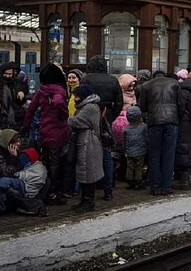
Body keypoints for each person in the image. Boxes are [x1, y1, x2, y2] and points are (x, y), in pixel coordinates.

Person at [23, 63, 69, 205]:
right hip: (57, 131)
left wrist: (25, 126)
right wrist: (64, 114)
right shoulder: (59, 91)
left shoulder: (41, 90)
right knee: (55, 163)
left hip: (44, 131)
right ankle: (53, 192)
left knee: (44, 161)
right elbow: (59, 102)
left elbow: (31, 109)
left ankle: (44, 188)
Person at [82, 56, 123, 201]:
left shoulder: (87, 79)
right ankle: (108, 190)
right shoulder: (113, 80)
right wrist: (110, 117)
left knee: (89, 155)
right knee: (106, 155)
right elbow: (119, 102)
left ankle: (89, 190)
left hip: (88, 122)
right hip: (106, 120)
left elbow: (80, 99)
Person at [140, 74, 183, 195]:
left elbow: (143, 106)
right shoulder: (175, 84)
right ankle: (166, 186)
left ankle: (155, 186)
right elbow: (180, 105)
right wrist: (176, 118)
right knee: (169, 154)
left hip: (154, 121)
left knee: (154, 155)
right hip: (172, 121)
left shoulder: (146, 85)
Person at [67, 84, 104, 213]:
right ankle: (84, 200)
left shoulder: (89, 107)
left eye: (77, 95)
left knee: (88, 171)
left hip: (89, 143)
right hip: (85, 141)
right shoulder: (86, 106)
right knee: (85, 171)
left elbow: (75, 121)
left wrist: (70, 118)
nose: (75, 97)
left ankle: (88, 201)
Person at [123, 106, 147, 190]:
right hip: (141, 151)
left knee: (130, 166)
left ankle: (129, 181)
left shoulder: (126, 129)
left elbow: (124, 141)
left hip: (129, 151)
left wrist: (125, 150)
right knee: (138, 166)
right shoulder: (143, 126)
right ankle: (138, 181)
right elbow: (146, 138)